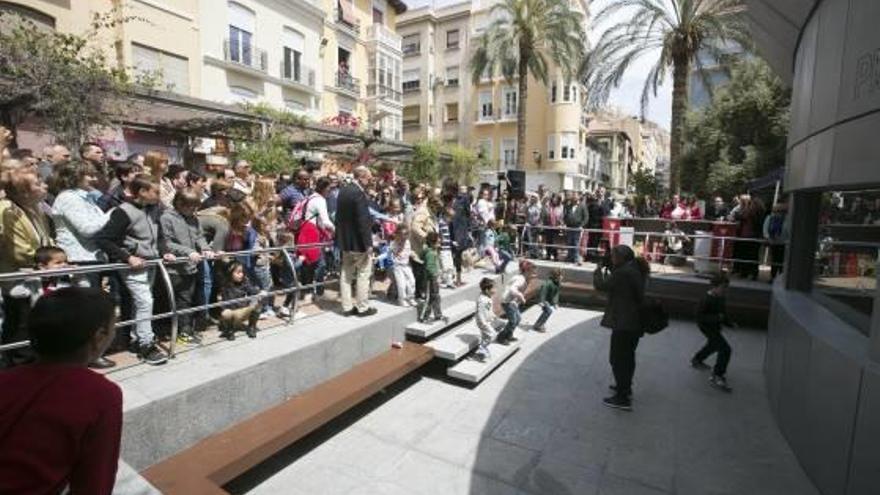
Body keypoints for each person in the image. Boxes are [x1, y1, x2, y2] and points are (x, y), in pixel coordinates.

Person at [0, 287, 122, 495]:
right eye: (113, 325)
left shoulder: (7, 379)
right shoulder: (101, 394)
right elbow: (95, 484)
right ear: (99, 336)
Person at [94, 174, 173, 365]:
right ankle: (146, 344)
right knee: (145, 302)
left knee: (141, 303)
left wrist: (165, 252)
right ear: (142, 192)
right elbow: (104, 239)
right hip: (134, 265)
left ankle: (136, 339)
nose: (159, 194)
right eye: (155, 191)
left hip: (151, 262)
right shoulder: (123, 212)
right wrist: (127, 257)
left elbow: (159, 236)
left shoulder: (154, 209)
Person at [0, 169, 53, 365]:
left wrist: (56, 256)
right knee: (20, 325)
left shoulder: (34, 208)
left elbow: (46, 239)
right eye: (37, 184)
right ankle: (19, 364)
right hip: (16, 279)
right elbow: (19, 251)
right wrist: (48, 260)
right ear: (23, 191)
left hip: (36, 275)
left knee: (33, 322)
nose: (44, 186)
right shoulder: (7, 209)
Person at [593, 245, 648, 411]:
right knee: (627, 357)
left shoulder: (623, 273)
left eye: (614, 256)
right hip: (633, 323)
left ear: (621, 258)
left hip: (625, 323)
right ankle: (625, 387)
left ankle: (622, 398)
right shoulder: (632, 269)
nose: (611, 258)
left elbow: (601, 285)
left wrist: (597, 269)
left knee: (617, 359)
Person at [160, 188, 215, 344]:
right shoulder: (167, 218)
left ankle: (185, 330)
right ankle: (178, 331)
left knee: (187, 299)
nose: (193, 210)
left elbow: (199, 236)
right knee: (176, 300)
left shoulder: (193, 218)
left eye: (195, 207)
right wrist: (188, 251)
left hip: (191, 266)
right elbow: (167, 242)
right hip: (175, 268)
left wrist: (205, 248)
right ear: (179, 203)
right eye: (190, 206)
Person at [335, 166, 377, 317]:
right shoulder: (358, 194)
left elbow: (339, 217)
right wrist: (368, 244)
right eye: (368, 178)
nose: (369, 181)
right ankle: (362, 307)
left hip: (345, 241)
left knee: (346, 274)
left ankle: (346, 307)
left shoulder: (343, 191)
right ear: (361, 177)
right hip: (359, 243)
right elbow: (363, 221)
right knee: (363, 274)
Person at [294, 176, 335, 304]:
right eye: (330, 188)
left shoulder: (310, 197)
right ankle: (317, 293)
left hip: (304, 232)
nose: (331, 191)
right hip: (311, 233)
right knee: (319, 264)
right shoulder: (320, 200)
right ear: (324, 188)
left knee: (308, 263)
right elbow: (326, 221)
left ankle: (307, 292)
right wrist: (335, 230)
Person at [691, 273, 734, 392]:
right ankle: (717, 374)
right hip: (706, 327)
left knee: (713, 344)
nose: (725, 290)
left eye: (726, 288)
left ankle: (697, 359)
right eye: (723, 287)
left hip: (715, 327)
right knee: (725, 349)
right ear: (714, 287)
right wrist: (717, 318)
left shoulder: (721, 298)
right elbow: (699, 317)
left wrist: (729, 323)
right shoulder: (706, 299)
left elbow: (723, 314)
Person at [218, 261, 262, 340]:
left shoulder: (245, 282)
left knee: (257, 304)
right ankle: (229, 330)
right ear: (230, 272)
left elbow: (252, 290)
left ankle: (251, 327)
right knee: (225, 313)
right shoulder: (224, 285)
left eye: (242, 272)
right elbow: (224, 304)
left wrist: (260, 292)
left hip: (243, 310)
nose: (241, 275)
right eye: (238, 272)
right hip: (232, 313)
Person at [499, 260, 532, 344]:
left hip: (511, 301)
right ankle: (501, 337)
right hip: (507, 302)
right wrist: (521, 297)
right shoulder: (521, 279)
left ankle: (509, 335)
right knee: (513, 320)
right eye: (531, 271)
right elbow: (512, 289)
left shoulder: (521, 277)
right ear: (527, 271)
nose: (532, 273)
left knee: (518, 319)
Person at [417, 231, 446, 323]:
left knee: (436, 296)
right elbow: (429, 267)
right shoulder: (430, 253)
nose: (439, 243)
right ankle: (424, 317)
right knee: (429, 297)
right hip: (430, 279)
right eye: (438, 242)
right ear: (432, 242)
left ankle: (438, 314)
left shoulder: (433, 251)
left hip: (434, 278)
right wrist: (435, 275)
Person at [474, 277, 504, 362]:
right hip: (483, 322)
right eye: (494, 288)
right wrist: (483, 322)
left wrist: (493, 316)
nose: (496, 289)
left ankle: (481, 354)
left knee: (485, 336)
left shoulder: (487, 297)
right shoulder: (482, 300)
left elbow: (488, 309)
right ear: (487, 290)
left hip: (487, 320)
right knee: (492, 335)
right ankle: (481, 349)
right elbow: (480, 312)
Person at [763, 203, 789, 281]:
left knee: (782, 261)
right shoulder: (770, 218)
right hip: (773, 242)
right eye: (777, 211)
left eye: (781, 211)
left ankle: (781, 278)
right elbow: (765, 228)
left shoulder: (788, 219)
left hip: (784, 243)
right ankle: (773, 277)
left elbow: (789, 231)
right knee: (774, 260)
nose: (779, 213)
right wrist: (768, 237)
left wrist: (787, 241)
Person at [532, 268, 562, 332]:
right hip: (544, 300)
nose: (561, 277)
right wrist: (541, 301)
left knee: (547, 312)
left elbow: (556, 294)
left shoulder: (557, 283)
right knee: (548, 311)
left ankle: (539, 324)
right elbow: (543, 292)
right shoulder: (548, 283)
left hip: (548, 300)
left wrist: (555, 303)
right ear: (556, 276)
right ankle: (539, 325)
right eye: (560, 275)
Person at [563, 192, 588, 264]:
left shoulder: (582, 206)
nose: (574, 198)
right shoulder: (568, 206)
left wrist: (582, 226)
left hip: (577, 228)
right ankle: (569, 257)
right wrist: (565, 223)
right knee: (569, 242)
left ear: (578, 197)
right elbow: (565, 216)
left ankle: (576, 258)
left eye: (575, 197)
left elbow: (586, 217)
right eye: (573, 197)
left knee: (576, 243)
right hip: (569, 227)